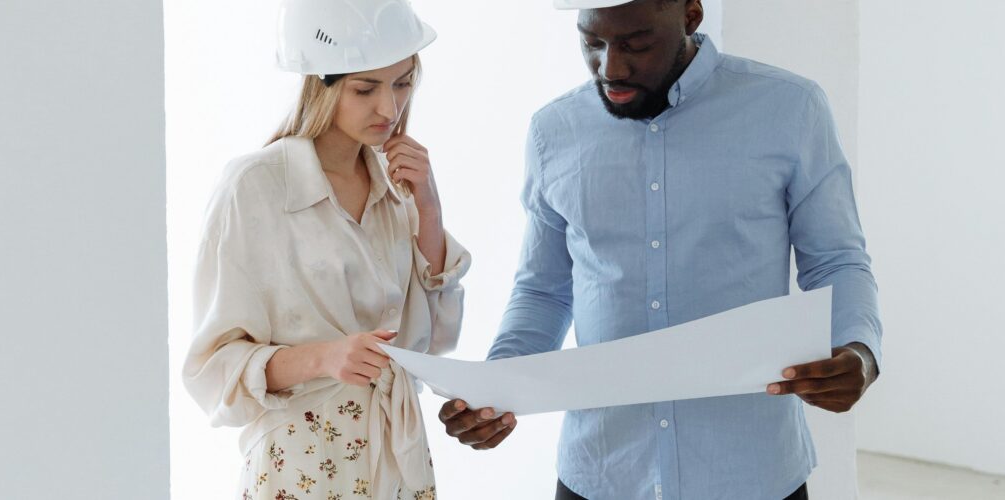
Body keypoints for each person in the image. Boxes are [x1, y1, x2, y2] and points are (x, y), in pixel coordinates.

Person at [437, 1, 881, 499]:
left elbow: (836, 259)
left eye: (636, 43)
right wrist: (498, 388)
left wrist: (857, 350)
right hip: (601, 473)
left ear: (691, 15)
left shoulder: (789, 108)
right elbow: (544, 289)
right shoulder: (554, 131)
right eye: (593, 43)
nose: (612, 67)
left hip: (749, 473)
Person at [182, 1, 468, 498]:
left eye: (402, 83)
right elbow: (212, 369)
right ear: (320, 84)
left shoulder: (396, 187)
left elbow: (437, 339)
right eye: (365, 88)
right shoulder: (255, 188)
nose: (390, 108)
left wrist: (429, 207)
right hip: (302, 467)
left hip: (398, 462)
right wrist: (323, 358)